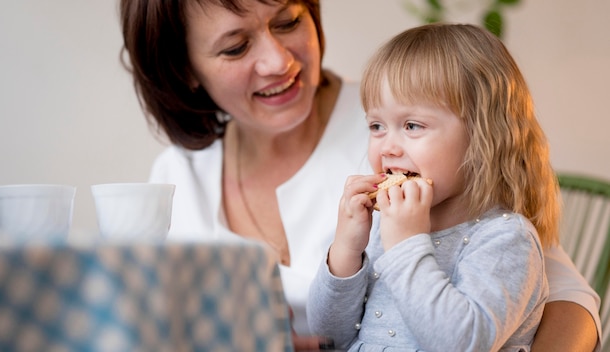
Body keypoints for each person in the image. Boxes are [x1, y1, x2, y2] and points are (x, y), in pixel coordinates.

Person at [118, 1, 601, 350]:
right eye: (236, 47)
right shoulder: (177, 177)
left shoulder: (416, 118)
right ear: (184, 69)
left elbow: (563, 295)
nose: (277, 62)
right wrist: (344, 252)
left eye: (288, 21)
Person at [307, 22, 565, 351]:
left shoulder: (506, 239)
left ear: (482, 135)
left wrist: (405, 246)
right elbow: (329, 336)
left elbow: (461, 343)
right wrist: (345, 251)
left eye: (412, 125)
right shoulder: (383, 229)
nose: (387, 147)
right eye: (376, 126)